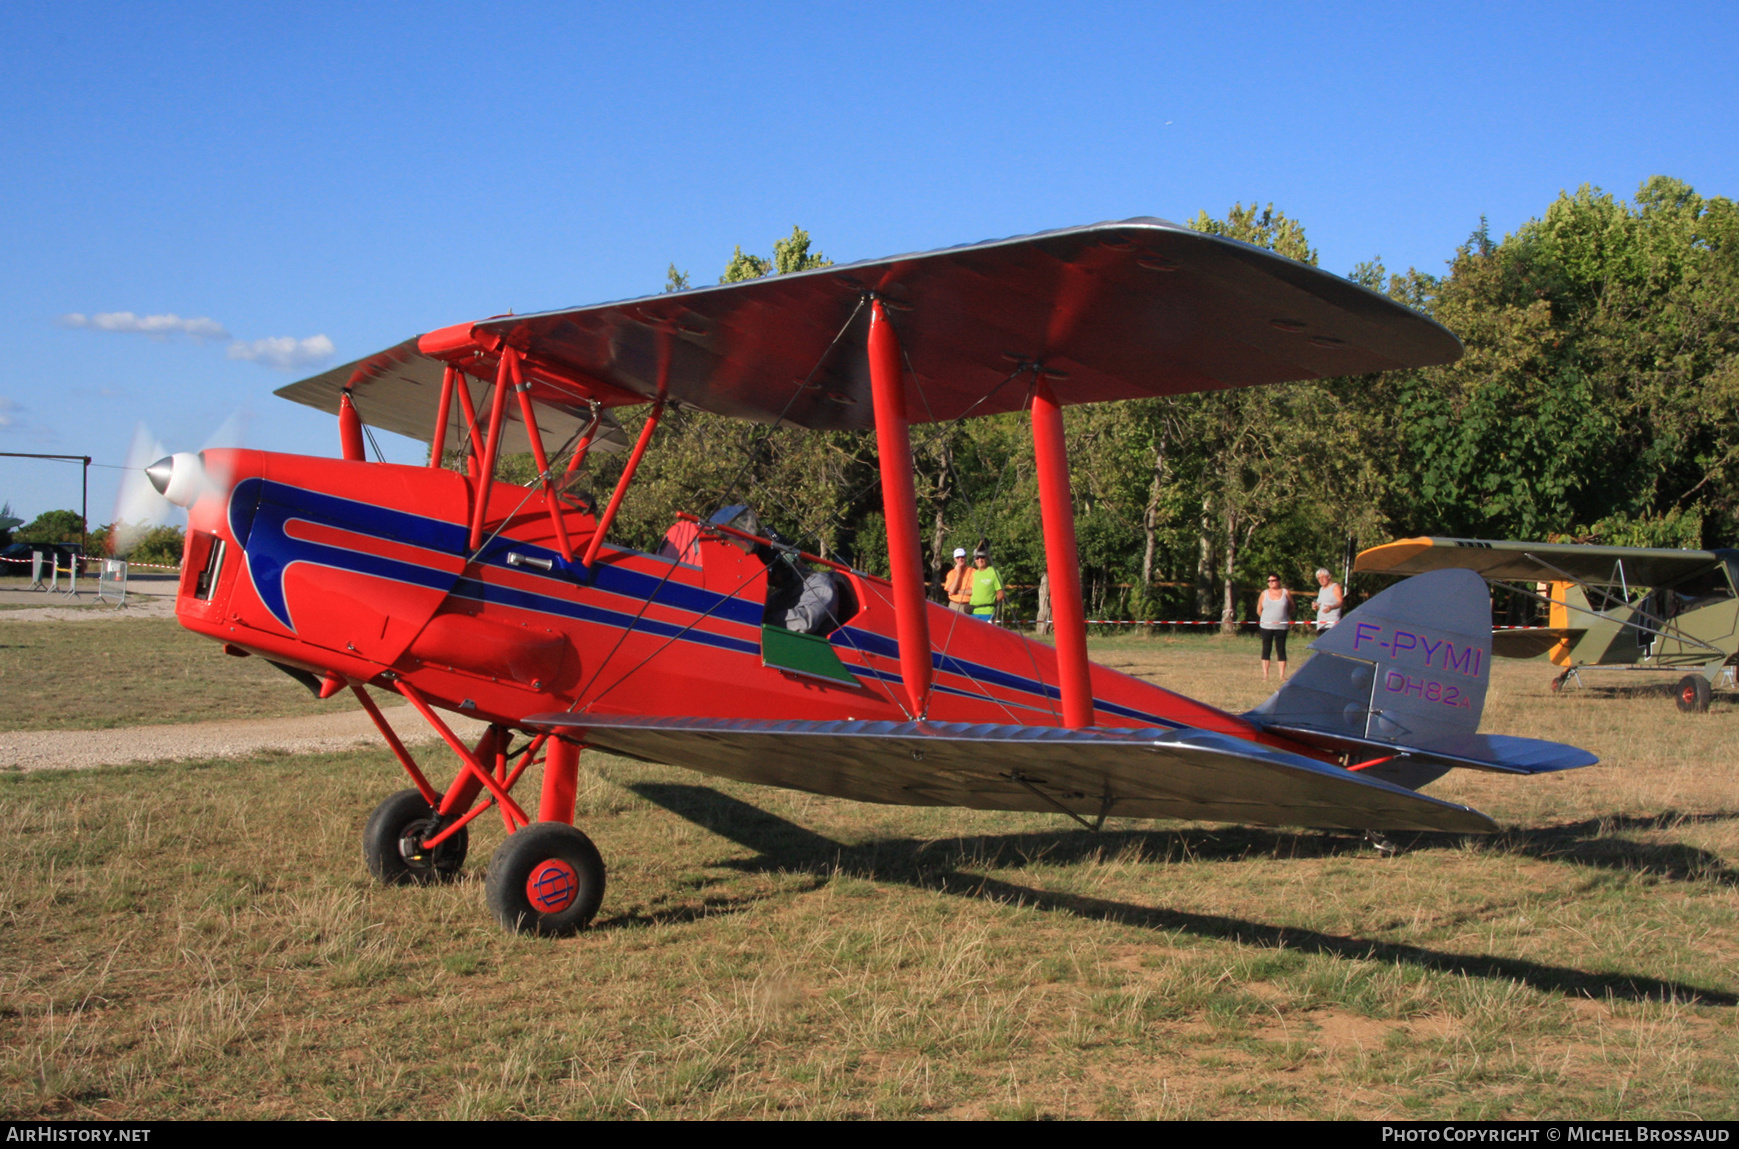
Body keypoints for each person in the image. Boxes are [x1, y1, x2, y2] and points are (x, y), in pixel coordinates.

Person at [1258, 573, 1292, 681]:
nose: (1270, 583)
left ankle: (1282, 675)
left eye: (1273, 580)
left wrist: (1285, 616)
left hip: (1281, 626)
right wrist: (1265, 619)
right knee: (1266, 649)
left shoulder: (1286, 592)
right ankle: (1265, 675)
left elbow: (1292, 606)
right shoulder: (1264, 594)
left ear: (1278, 581)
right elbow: (1259, 609)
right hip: (1266, 626)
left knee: (1281, 649)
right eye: (1269, 581)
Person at [967, 547, 1004, 621]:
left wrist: (991, 603)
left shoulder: (994, 573)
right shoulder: (975, 574)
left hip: (987, 612)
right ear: (974, 559)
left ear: (987, 558)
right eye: (977, 558)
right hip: (973, 612)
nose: (980, 560)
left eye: (982, 557)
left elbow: (1001, 594)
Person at [943, 547, 973, 613]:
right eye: (958, 557)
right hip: (954, 605)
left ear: (966, 557)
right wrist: (958, 574)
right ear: (954, 559)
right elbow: (951, 590)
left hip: (967, 605)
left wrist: (958, 591)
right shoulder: (951, 573)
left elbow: (973, 591)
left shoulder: (973, 572)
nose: (960, 559)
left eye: (962, 557)